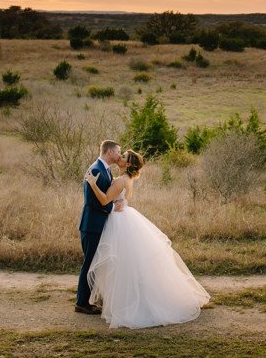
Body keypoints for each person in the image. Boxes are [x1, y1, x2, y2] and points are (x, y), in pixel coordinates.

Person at [84, 149, 210, 329]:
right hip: (124, 218)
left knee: (121, 264)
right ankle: (126, 298)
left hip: (120, 223)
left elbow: (104, 200)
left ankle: (128, 303)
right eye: (121, 155)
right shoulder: (125, 179)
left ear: (127, 164)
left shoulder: (121, 180)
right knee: (127, 264)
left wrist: (92, 184)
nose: (120, 157)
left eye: (123, 157)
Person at [75, 139, 123, 314]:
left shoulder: (105, 170)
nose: (119, 155)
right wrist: (111, 207)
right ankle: (81, 303)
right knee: (89, 263)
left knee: (95, 263)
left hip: (97, 224)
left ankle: (88, 298)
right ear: (109, 152)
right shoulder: (95, 169)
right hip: (91, 225)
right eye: (118, 151)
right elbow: (90, 200)